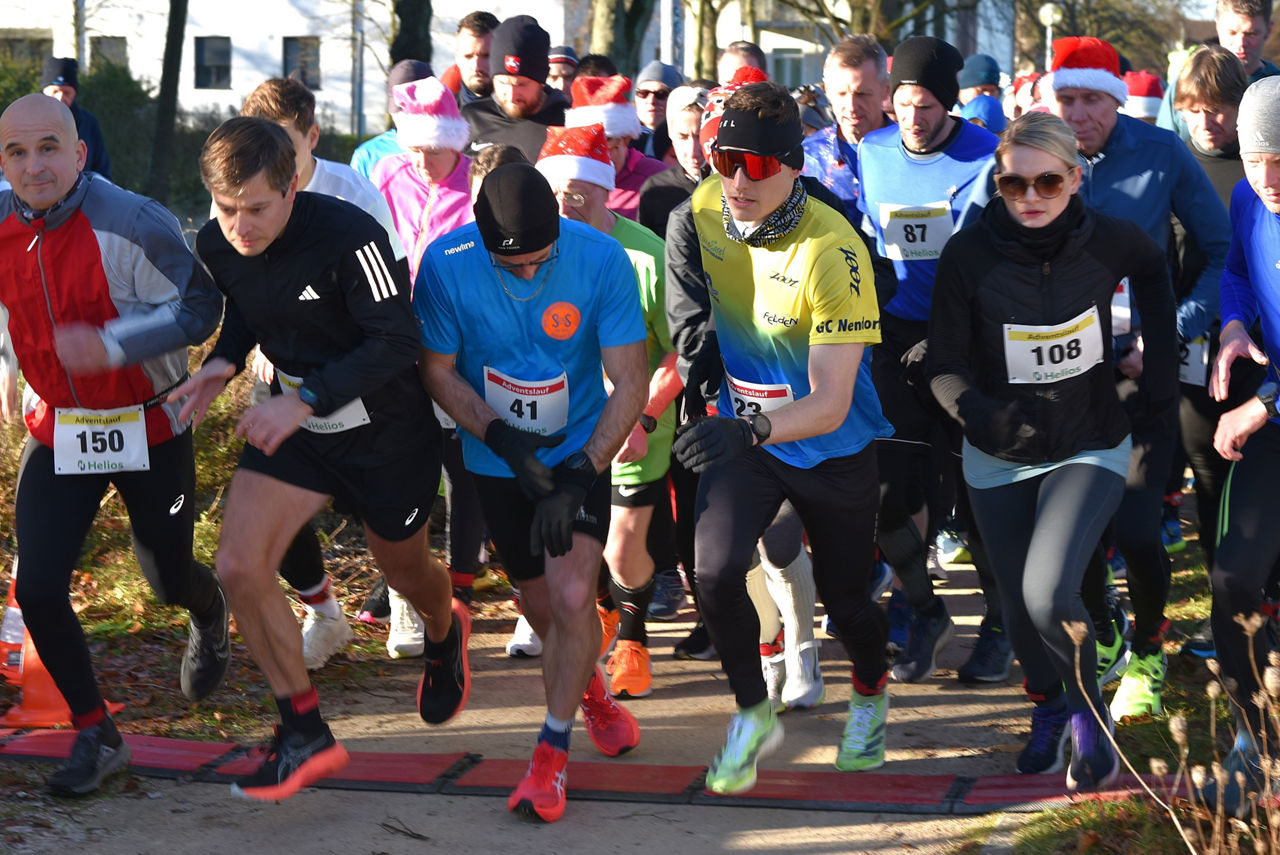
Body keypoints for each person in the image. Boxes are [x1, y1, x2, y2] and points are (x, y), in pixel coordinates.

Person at [174, 116, 469, 802]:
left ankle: (443, 624)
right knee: (239, 566)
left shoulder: (349, 234)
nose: (239, 226)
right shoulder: (218, 241)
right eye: (226, 209)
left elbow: (396, 340)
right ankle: (303, 728)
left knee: (404, 569)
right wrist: (221, 362)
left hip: (385, 432)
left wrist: (304, 397)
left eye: (256, 208)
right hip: (299, 424)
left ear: (293, 185)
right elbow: (249, 313)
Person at [928, 111, 1176, 791]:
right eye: (1013, 183)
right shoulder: (969, 253)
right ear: (998, 183)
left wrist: (1159, 382)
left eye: (1047, 182)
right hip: (996, 454)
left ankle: (1089, 717)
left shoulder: (1112, 242)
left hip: (1088, 441)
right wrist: (978, 411)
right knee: (1015, 601)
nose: (1030, 196)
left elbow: (1158, 273)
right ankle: (1050, 706)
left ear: (1075, 178)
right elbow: (944, 363)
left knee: (1046, 592)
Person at [0, 94, 228, 795]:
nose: (33, 166)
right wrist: (10, 369)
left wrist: (111, 344)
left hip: (151, 421)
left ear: (79, 153)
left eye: (47, 148)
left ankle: (209, 608)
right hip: (62, 423)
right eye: (15, 152)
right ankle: (96, 731)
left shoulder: (131, 219)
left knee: (164, 577)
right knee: (36, 585)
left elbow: (201, 307)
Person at [673, 80, 893, 793]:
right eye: (724, 158)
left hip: (830, 446)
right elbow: (697, 307)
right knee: (711, 570)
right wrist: (702, 355)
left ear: (795, 165)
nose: (738, 180)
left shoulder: (835, 248)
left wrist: (747, 429)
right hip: (753, 439)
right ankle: (751, 711)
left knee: (847, 598)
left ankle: (868, 687)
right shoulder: (705, 207)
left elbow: (829, 403)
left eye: (759, 165)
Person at [417, 162, 649, 822]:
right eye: (510, 264)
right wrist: (503, 438)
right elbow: (434, 369)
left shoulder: (602, 259)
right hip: (496, 461)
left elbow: (629, 380)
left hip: (578, 447)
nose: (526, 273)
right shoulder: (447, 263)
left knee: (576, 592)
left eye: (539, 262)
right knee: (546, 608)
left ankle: (549, 757)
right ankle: (591, 692)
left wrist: (580, 469)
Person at [1036, 36, 1230, 722]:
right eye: (1067, 99)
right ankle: (1109, 622)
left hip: (1140, 364)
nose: (1080, 113)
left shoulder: (1161, 152)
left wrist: (1171, 327)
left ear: (1117, 100)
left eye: (1092, 99)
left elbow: (1220, 251)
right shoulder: (1034, 153)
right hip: (1060, 371)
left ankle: (1147, 652)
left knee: (1141, 528)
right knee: (1073, 531)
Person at [236, 75, 409, 670]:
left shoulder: (355, 195)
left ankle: (409, 591)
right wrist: (259, 336)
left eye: (285, 146)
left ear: (312, 136)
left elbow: (390, 306)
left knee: (371, 509)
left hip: (354, 371)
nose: (270, 164)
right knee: (272, 508)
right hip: (281, 372)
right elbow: (242, 279)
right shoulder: (238, 188)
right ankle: (324, 612)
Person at [857, 36, 1007, 685]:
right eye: (903, 104)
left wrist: (948, 336)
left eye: (926, 108)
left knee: (976, 506)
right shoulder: (872, 149)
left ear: (950, 105)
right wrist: (882, 326)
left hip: (965, 344)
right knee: (886, 499)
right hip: (894, 338)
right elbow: (871, 243)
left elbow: (987, 259)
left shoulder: (984, 156)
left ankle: (999, 627)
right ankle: (925, 610)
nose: (913, 121)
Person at [536, 123, 682, 698]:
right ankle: (605, 616)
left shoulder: (647, 255)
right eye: (554, 191)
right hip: (560, 422)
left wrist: (641, 417)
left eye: (577, 190)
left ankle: (634, 639)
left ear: (605, 189)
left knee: (623, 548)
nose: (564, 202)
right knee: (573, 547)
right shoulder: (534, 252)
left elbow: (680, 350)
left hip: (637, 422)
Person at [371, 76, 490, 633]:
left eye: (433, 149)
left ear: (455, 143)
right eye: (413, 147)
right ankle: (401, 589)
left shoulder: (473, 185)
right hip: (394, 341)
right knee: (399, 465)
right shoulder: (387, 175)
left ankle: (463, 582)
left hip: (457, 341)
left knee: (460, 468)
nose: (421, 161)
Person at [1199, 75, 1280, 817]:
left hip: (1270, 410)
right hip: (1274, 423)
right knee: (1232, 577)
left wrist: (1260, 404)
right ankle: (1256, 736)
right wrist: (1231, 324)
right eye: (1259, 160)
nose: (1272, 179)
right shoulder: (1249, 197)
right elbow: (1236, 271)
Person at [1168, 45, 1265, 659]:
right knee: (1208, 475)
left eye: (1220, 109)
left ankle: (1262, 599)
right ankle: (1223, 604)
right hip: (1193, 345)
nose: (1207, 122)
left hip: (1260, 349)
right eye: (1194, 109)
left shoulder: (1260, 166)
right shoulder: (1176, 161)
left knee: (1256, 475)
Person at [1157, 0, 1277, 141]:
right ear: (1218, 26)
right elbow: (1163, 148)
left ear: (1268, 30)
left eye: (1251, 34)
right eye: (1232, 32)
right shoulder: (1186, 84)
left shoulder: (1276, 88)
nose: (1241, 43)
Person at [802, 34, 893, 215]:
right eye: (841, 94)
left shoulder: (910, 151)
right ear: (827, 91)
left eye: (862, 94)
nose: (851, 107)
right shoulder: (806, 159)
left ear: (885, 90)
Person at [461, 15, 569, 163]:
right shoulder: (471, 118)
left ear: (541, 82)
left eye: (521, 84)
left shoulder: (566, 123)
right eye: (503, 82)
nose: (512, 95)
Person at [564, 75, 668, 220]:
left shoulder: (657, 176)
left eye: (606, 142)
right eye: (585, 145)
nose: (596, 155)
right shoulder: (565, 179)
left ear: (625, 138)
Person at [637, 84, 709, 238]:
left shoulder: (733, 184)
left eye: (701, 137)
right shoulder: (656, 189)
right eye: (682, 137)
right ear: (671, 136)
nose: (693, 152)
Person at [349, 59, 433, 180]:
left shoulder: (451, 149)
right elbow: (354, 198)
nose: (406, 117)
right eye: (400, 109)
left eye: (415, 109)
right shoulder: (368, 155)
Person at [40, 58, 110, 179]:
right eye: (55, 91)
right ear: (44, 91)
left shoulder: (88, 123)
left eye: (67, 93)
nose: (60, 97)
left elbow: (102, 170)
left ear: (75, 93)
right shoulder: (24, 122)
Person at [633, 60, 685, 160]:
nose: (651, 101)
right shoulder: (620, 141)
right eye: (643, 93)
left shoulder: (688, 141)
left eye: (661, 94)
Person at [454, 11, 501, 107]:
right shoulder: (443, 115)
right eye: (468, 56)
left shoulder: (525, 116)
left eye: (486, 56)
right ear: (457, 58)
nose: (477, 67)